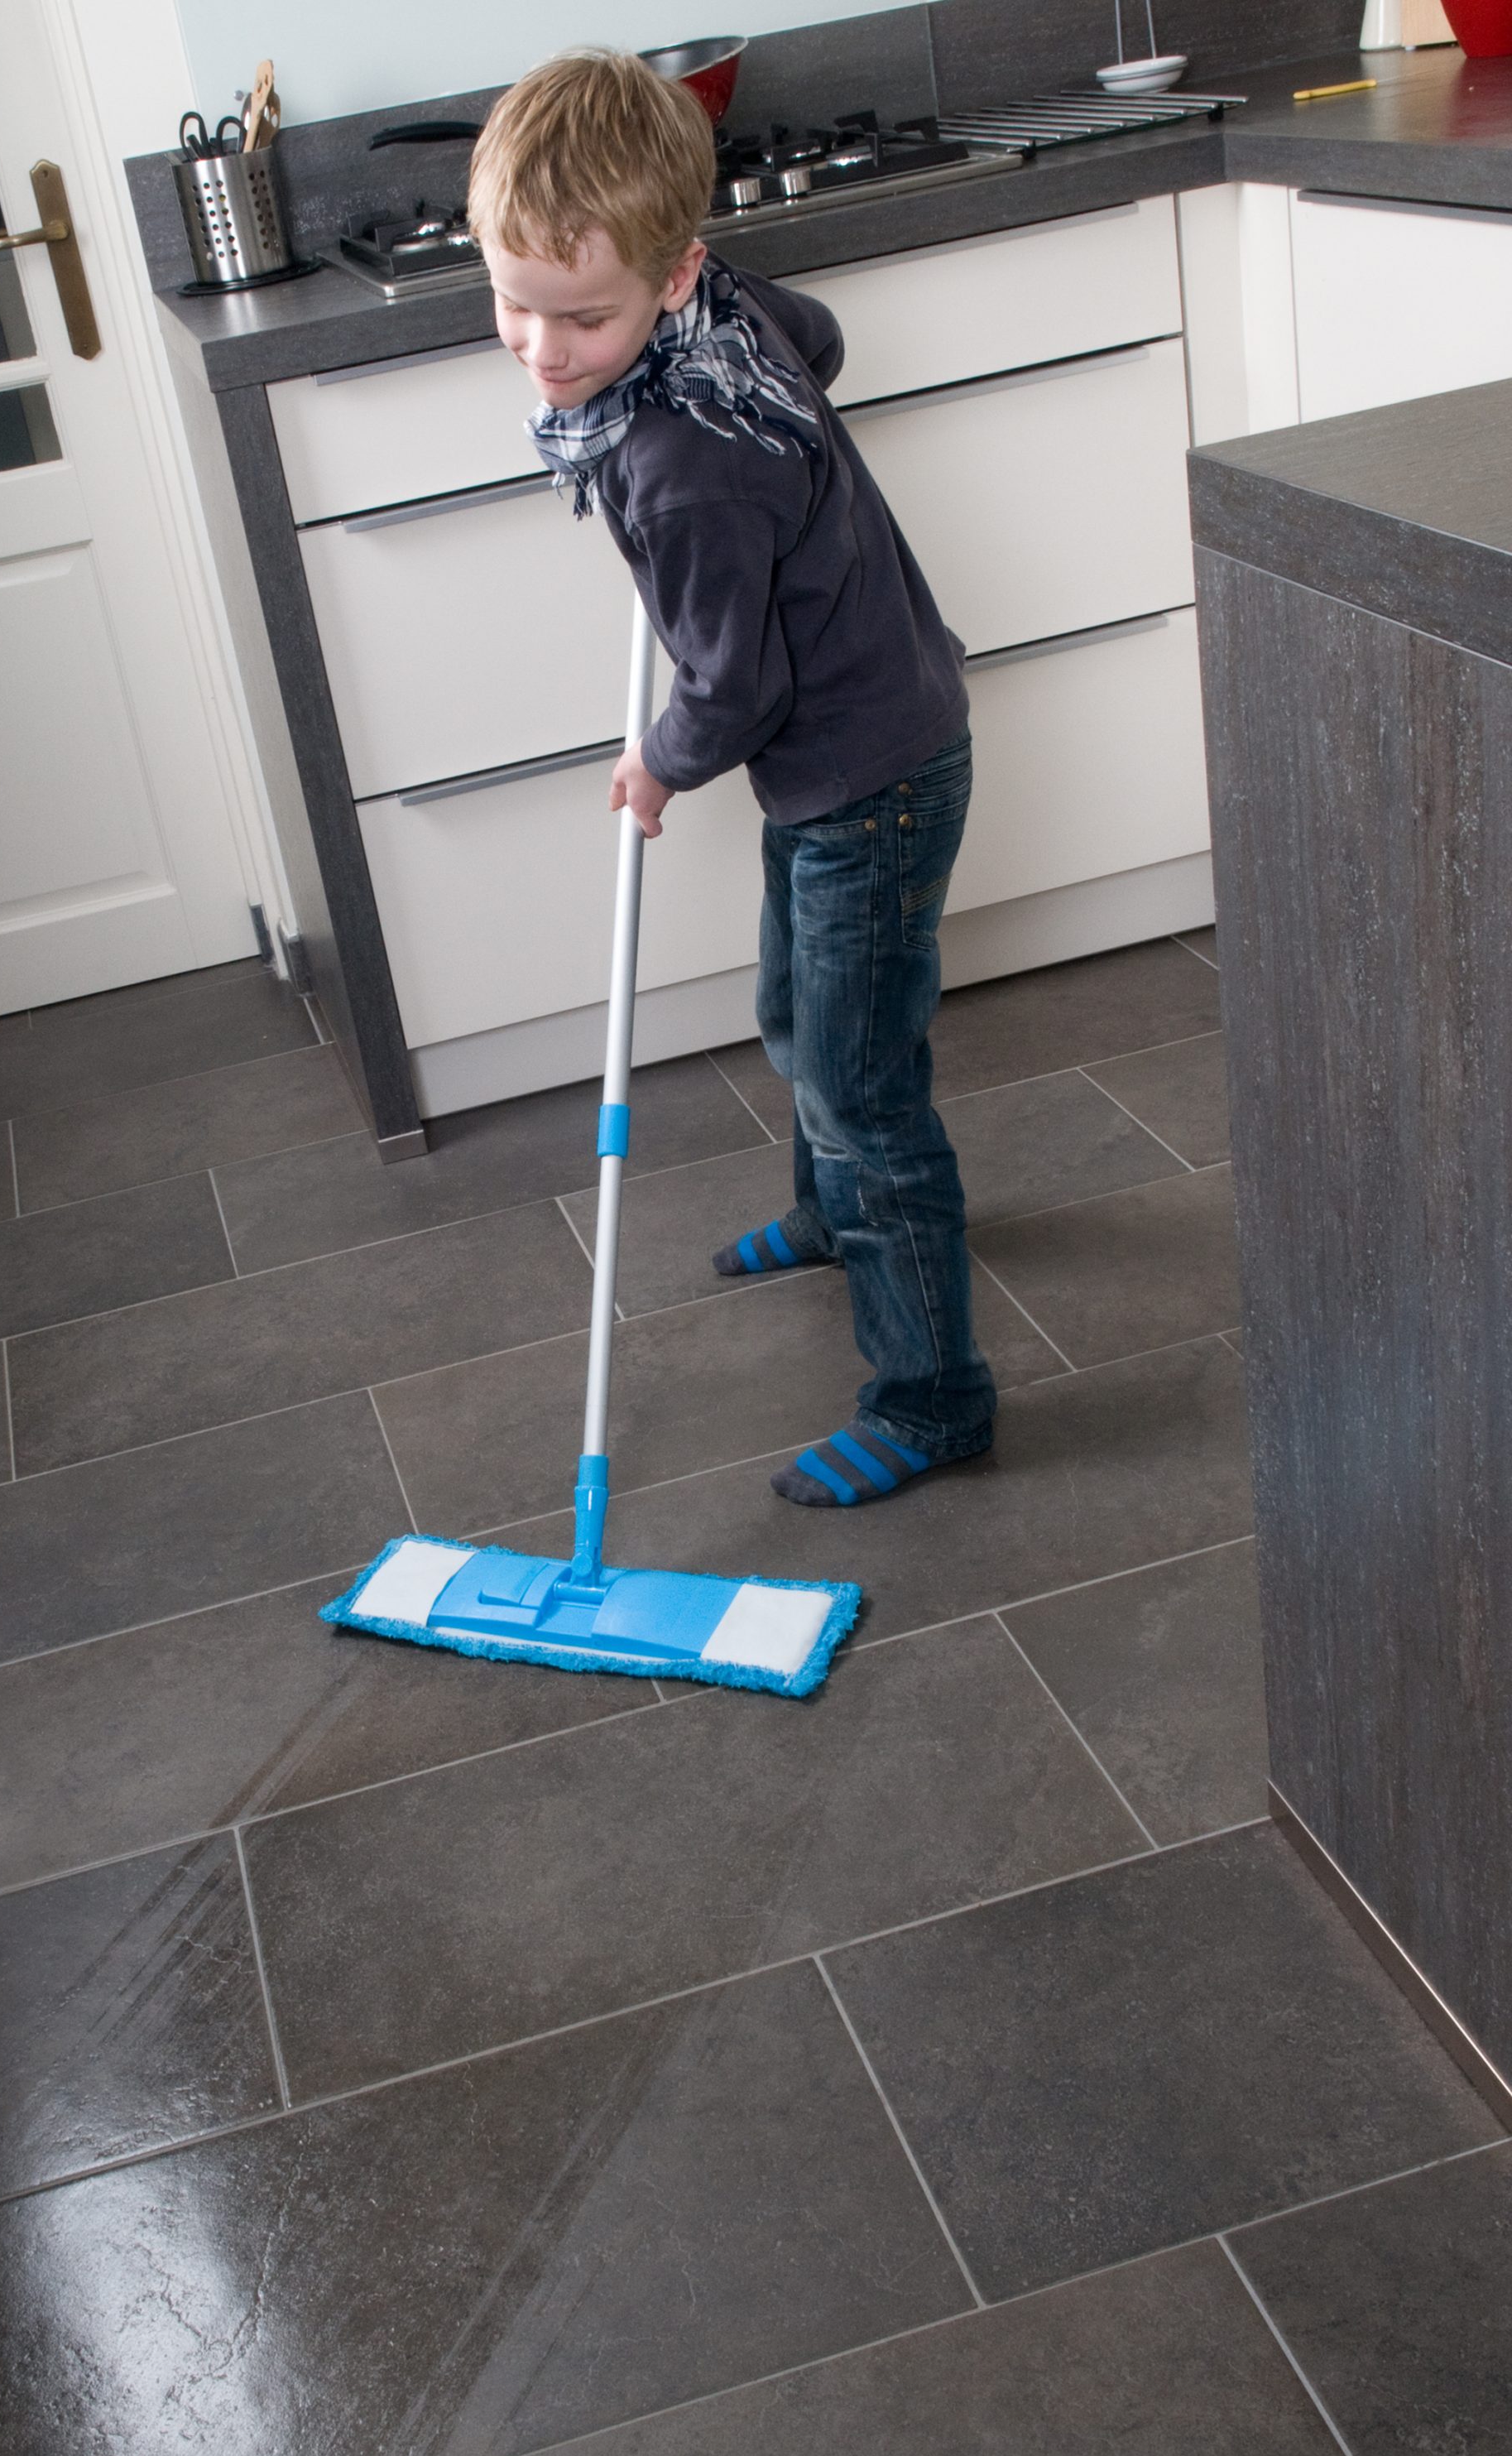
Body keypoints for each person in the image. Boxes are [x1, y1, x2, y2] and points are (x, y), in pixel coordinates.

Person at [467, 50, 996, 1508]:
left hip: (867, 777)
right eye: (514, 303)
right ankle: (833, 1215)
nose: (544, 349)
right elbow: (819, 338)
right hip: (860, 749)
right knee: (803, 1015)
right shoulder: (719, 316)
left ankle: (934, 1395)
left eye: (586, 316)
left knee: (861, 1092)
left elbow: (734, 689)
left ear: (672, 272)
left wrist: (657, 762)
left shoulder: (683, 461)